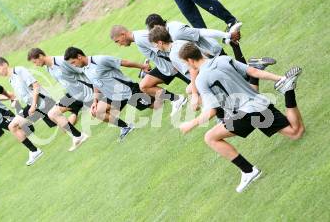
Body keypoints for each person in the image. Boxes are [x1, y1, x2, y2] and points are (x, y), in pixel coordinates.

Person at [178, 43, 305, 192]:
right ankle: (288, 89)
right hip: (258, 103)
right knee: (296, 131)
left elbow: (212, 110)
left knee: (210, 137)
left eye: (185, 63)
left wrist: (190, 124)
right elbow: (252, 71)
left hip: (245, 114)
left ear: (190, 61)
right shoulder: (224, 59)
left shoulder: (201, 80)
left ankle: (249, 171)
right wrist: (280, 78)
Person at [147, 25, 275, 110]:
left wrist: (195, 94)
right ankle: (252, 74)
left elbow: (193, 70)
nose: (155, 47)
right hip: (212, 66)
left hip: (207, 75)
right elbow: (205, 53)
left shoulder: (174, 54)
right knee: (245, 92)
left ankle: (224, 113)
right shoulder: (180, 42)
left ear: (160, 42)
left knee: (241, 97)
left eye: (154, 44)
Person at [0, 56, 89, 152]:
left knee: (59, 121)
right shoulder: (11, 79)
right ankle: (35, 152)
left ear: (5, 65)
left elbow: (35, 86)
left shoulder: (19, 71)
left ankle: (76, 117)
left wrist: (34, 105)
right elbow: (22, 94)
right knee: (13, 125)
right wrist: (14, 100)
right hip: (33, 106)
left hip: (43, 101)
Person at [64, 47, 155, 141]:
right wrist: (95, 101)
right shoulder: (85, 69)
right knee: (97, 112)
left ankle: (150, 84)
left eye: (73, 62)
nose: (73, 65)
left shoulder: (100, 60)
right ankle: (126, 127)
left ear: (79, 56)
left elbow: (123, 62)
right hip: (112, 96)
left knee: (156, 105)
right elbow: (95, 83)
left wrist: (143, 67)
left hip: (127, 91)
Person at [110, 25, 188, 116]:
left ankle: (180, 98)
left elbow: (164, 47)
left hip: (173, 66)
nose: (119, 44)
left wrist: (178, 63)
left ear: (122, 34)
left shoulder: (140, 38)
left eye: (117, 41)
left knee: (197, 86)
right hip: (165, 68)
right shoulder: (138, 38)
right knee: (144, 85)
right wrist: (145, 65)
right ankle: (176, 99)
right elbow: (155, 49)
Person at [27, 48, 93, 126]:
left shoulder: (61, 61)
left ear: (40, 56)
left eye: (35, 62)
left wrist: (96, 87)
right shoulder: (48, 68)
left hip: (86, 91)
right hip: (72, 95)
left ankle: (79, 109)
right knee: (53, 114)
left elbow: (83, 69)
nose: (36, 65)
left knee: (101, 113)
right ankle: (77, 132)